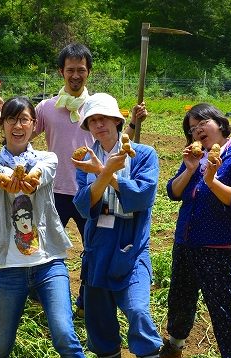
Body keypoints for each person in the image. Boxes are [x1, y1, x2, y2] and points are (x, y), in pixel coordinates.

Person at [0, 97, 92, 358]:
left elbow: (39, 174)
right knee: (1, 343)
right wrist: (9, 179)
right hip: (8, 267)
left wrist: (26, 177)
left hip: (47, 264)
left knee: (65, 336)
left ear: (33, 124)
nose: (18, 125)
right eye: (11, 119)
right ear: (2, 125)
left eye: (25, 119)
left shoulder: (49, 158)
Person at [33, 43, 147, 317]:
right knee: (45, 246)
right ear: (61, 71)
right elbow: (25, 134)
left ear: (89, 72)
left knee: (94, 248)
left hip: (93, 190)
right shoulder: (47, 108)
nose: (75, 75)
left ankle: (86, 302)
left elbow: (119, 141)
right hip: (55, 191)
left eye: (81, 70)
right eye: (70, 70)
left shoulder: (98, 107)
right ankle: (41, 296)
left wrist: (132, 122)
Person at [159, 103, 231, 358]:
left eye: (203, 122)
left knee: (221, 304)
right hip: (186, 240)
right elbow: (173, 191)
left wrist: (211, 178)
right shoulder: (196, 157)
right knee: (180, 296)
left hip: (217, 244)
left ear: (220, 124)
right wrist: (191, 169)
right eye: (192, 129)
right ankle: (174, 347)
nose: (198, 130)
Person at [72, 93, 162, 358]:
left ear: (117, 121)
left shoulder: (143, 154)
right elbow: (85, 206)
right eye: (92, 121)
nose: (99, 125)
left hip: (131, 246)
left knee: (137, 310)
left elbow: (142, 197)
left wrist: (107, 173)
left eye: (103, 118)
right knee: (99, 320)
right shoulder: (85, 157)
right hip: (98, 247)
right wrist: (102, 172)